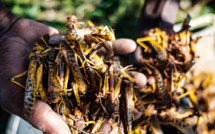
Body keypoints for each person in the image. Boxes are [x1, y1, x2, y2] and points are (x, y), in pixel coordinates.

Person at [0, 0, 146, 133]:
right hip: (60, 78)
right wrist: (6, 30)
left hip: (85, 76)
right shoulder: (47, 58)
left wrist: (7, 28)